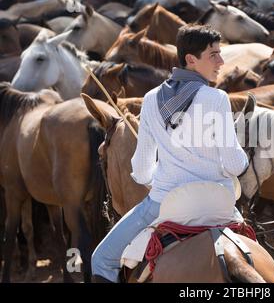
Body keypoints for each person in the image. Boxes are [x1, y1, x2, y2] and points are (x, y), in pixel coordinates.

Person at [91, 24, 249, 283]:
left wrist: (165, 180)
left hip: (165, 202)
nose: (222, 61)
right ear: (190, 59)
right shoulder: (217, 98)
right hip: (218, 201)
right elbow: (234, 164)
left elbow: (141, 171)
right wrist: (242, 160)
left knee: (101, 259)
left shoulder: (151, 99)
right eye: (214, 55)